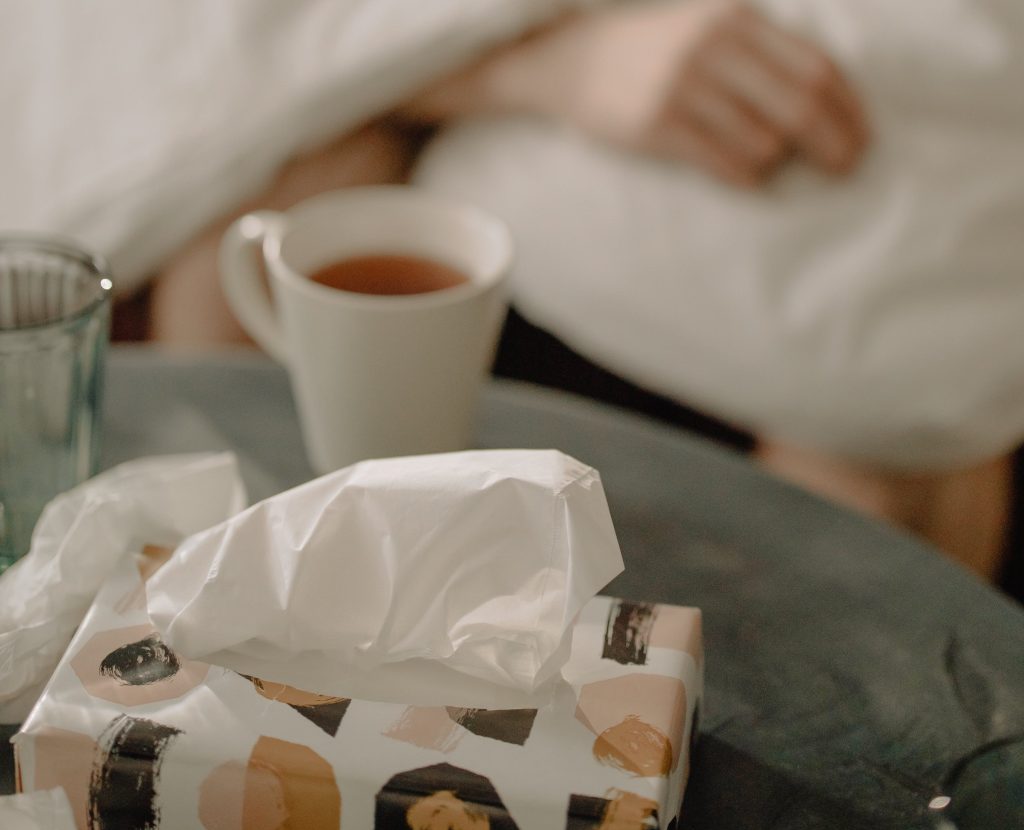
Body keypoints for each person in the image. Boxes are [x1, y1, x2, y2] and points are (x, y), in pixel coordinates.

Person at [146, 0, 1018, 581]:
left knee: (892, 441)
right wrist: (547, 64)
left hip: (803, 351)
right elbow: (237, 44)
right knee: (228, 260)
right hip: (471, 179)